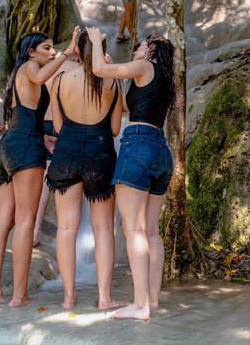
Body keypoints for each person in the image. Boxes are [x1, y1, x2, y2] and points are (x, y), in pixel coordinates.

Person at [0, 26, 81, 307]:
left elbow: (23, 116)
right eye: (47, 48)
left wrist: (43, 135)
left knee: (3, 221)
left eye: (53, 48)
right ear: (31, 51)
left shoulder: (17, 75)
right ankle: (19, 295)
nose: (51, 53)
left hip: (7, 146)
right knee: (26, 221)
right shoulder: (30, 67)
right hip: (24, 148)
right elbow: (42, 76)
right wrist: (67, 51)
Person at [87, 27, 175, 321]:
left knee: (134, 230)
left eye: (140, 46)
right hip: (161, 150)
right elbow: (124, 106)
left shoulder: (144, 65)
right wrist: (113, 73)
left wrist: (97, 42)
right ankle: (151, 298)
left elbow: (98, 68)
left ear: (151, 50)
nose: (135, 49)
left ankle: (140, 306)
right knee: (151, 231)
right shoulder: (161, 79)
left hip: (137, 145)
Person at [45, 31, 124, 311]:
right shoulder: (111, 81)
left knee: (66, 228)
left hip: (66, 153)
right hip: (100, 154)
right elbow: (115, 129)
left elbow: (57, 125)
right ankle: (104, 298)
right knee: (104, 229)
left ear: (77, 52)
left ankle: (68, 297)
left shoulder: (60, 79)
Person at [32, 50, 81, 248]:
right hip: (62, 125)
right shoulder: (77, 69)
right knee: (53, 184)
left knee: (38, 178)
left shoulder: (48, 68)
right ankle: (62, 234)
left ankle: (31, 230)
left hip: (41, 124)